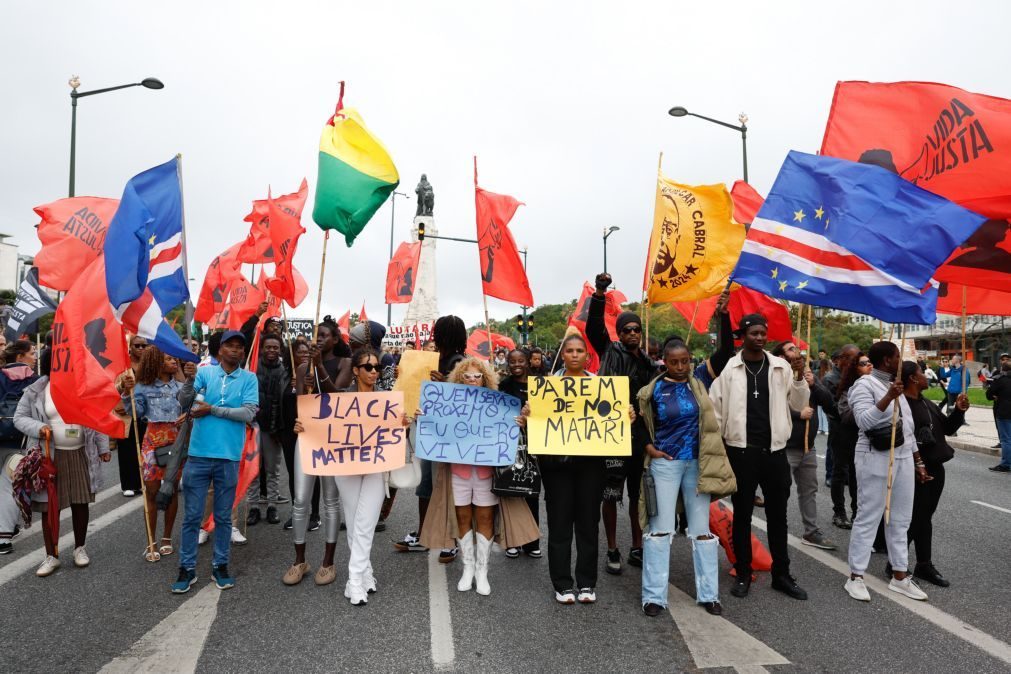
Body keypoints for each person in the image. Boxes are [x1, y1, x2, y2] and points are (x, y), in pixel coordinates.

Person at [709, 314, 810, 600]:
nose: (761, 338)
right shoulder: (731, 369)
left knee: (779, 516)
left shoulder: (780, 367)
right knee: (741, 515)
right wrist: (716, 450)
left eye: (763, 333)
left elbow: (799, 404)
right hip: (741, 453)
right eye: (755, 333)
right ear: (744, 335)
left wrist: (800, 376)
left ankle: (782, 574)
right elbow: (716, 412)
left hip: (775, 453)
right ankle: (743, 572)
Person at [420, 357, 537, 597]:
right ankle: (468, 568)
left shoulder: (497, 405)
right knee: (462, 518)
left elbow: (512, 434)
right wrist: (425, 416)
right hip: (458, 471)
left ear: (485, 379)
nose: (472, 380)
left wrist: (519, 423)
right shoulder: (448, 404)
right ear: (459, 378)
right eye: (467, 376)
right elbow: (435, 427)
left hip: (486, 473)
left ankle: (482, 571)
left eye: (477, 376)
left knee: (485, 518)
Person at [638, 339, 736, 617]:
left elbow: (725, 351)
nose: (681, 367)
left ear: (691, 360)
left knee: (701, 531)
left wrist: (724, 315)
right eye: (674, 362)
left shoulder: (700, 382)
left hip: (698, 464)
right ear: (664, 362)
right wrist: (649, 448)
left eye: (685, 361)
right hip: (665, 465)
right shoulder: (652, 389)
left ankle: (709, 595)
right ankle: (654, 597)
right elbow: (639, 422)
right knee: (660, 530)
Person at [172, 330, 259, 594]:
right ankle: (186, 568)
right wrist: (188, 382)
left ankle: (220, 565)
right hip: (198, 455)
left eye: (239, 347)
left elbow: (248, 412)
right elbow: (186, 404)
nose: (235, 350)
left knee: (223, 518)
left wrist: (213, 410)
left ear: (243, 352)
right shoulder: (204, 374)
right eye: (229, 346)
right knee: (191, 517)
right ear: (219, 350)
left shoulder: (249, 379)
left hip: (229, 458)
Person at [844, 341, 928, 603]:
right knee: (869, 516)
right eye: (897, 357)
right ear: (887, 361)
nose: (901, 361)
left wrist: (918, 462)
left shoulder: (898, 387)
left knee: (901, 519)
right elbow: (864, 420)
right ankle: (856, 576)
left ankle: (900, 576)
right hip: (874, 456)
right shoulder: (864, 385)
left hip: (902, 457)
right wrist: (888, 397)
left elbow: (908, 429)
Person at [14, 348, 111, 577]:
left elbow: (96, 416)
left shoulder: (82, 387)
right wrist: (40, 428)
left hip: (79, 451)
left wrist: (103, 447)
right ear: (51, 364)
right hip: (48, 454)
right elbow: (19, 417)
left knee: (80, 502)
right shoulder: (36, 390)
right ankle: (51, 555)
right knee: (49, 507)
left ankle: (80, 548)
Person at [585, 272, 654, 574]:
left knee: (638, 495)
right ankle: (612, 547)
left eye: (636, 329)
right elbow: (593, 327)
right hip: (611, 436)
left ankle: (638, 546)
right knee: (611, 495)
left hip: (639, 439)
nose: (632, 333)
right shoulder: (608, 350)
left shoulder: (650, 364)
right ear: (619, 333)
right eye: (626, 330)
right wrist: (600, 293)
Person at [538, 333, 609, 604]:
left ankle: (587, 583)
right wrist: (528, 414)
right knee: (559, 523)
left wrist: (625, 415)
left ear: (587, 356)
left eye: (580, 350)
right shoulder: (548, 386)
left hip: (591, 464)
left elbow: (610, 417)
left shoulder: (600, 385)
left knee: (589, 523)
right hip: (557, 466)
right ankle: (563, 584)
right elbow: (538, 423)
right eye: (570, 350)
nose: (575, 354)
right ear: (562, 354)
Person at [395, 315, 467, 562]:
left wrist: (447, 383)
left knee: (444, 487)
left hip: (447, 438)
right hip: (430, 432)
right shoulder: (435, 360)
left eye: (439, 332)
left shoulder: (458, 362)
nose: (435, 336)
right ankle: (425, 534)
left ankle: (450, 539)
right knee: (426, 484)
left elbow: (466, 399)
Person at [120, 345, 191, 562]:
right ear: (156, 362)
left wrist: (187, 415)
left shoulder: (182, 386)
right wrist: (126, 392)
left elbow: (192, 409)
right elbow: (136, 412)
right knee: (150, 491)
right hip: (152, 442)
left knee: (170, 490)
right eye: (169, 359)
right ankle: (151, 541)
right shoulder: (142, 387)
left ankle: (167, 537)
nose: (174, 362)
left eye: (174, 360)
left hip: (177, 441)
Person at [282, 337, 341, 589]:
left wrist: (321, 368)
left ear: (335, 339)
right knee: (300, 501)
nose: (319, 343)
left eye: (325, 337)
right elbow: (300, 406)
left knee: (330, 501)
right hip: (307, 438)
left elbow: (339, 398)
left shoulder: (344, 363)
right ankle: (299, 560)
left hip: (332, 442)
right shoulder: (302, 369)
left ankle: (328, 562)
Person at [903, 361, 966, 587]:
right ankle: (896, 565)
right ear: (911, 378)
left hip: (936, 467)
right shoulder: (903, 406)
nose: (925, 376)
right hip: (917, 469)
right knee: (915, 518)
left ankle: (923, 564)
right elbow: (905, 440)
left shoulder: (926, 402)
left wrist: (959, 410)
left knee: (924, 518)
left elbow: (947, 428)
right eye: (921, 372)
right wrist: (916, 464)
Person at [334, 348, 390, 605]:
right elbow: (322, 427)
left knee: (365, 523)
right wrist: (304, 426)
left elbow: (395, 431)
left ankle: (353, 581)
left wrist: (403, 421)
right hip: (346, 467)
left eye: (377, 367)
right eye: (368, 367)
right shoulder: (340, 398)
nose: (374, 372)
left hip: (376, 467)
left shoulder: (387, 399)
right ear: (355, 370)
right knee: (355, 521)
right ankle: (364, 572)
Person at [771, 342, 838, 551]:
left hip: (807, 447)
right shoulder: (776, 376)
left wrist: (814, 385)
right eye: (790, 349)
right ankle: (777, 531)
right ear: (781, 356)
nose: (796, 352)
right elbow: (772, 406)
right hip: (786, 446)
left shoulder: (809, 375)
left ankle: (811, 531)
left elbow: (829, 403)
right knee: (780, 491)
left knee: (809, 490)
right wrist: (798, 414)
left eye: (796, 349)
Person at [497, 348, 541, 558]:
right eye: (512, 361)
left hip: (534, 445)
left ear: (528, 362)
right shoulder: (504, 385)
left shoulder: (540, 384)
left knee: (531, 492)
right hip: (510, 443)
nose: (516, 365)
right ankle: (512, 541)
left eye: (520, 361)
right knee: (511, 492)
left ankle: (532, 542)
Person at [0, 340, 40, 555]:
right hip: (22, 440)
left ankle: (9, 527)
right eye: (32, 353)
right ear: (20, 357)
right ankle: (4, 536)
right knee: (10, 484)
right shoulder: (35, 381)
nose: (35, 357)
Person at [246, 334, 289, 527]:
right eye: (268, 347)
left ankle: (272, 505)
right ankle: (253, 506)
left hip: (273, 428)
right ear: (261, 348)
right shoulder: (251, 368)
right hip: (253, 427)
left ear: (280, 349)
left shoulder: (285, 372)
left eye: (275, 347)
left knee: (273, 469)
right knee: (253, 469)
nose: (271, 350)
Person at [281, 341, 321, 530]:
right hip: (289, 432)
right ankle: (297, 511)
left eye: (307, 352)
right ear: (292, 355)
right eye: (300, 352)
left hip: (311, 431)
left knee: (313, 472)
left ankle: (315, 514)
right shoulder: (284, 376)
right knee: (294, 473)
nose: (304, 355)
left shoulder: (314, 376)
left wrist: (306, 386)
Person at [827, 346, 861, 529]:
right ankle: (839, 512)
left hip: (858, 433)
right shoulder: (830, 379)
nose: (854, 362)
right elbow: (832, 408)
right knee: (839, 472)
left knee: (857, 475)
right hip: (840, 432)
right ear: (840, 359)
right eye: (851, 358)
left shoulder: (860, 378)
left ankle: (857, 512)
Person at [114, 335, 149, 497]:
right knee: (127, 449)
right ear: (130, 347)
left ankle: (143, 482)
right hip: (127, 414)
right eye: (138, 346)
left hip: (145, 413)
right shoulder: (122, 364)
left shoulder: (149, 364)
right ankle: (128, 484)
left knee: (145, 449)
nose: (141, 349)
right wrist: (123, 387)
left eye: (144, 346)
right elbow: (111, 386)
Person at [986, 360, 1011, 472]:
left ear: (1002, 369)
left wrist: (995, 397)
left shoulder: (1000, 380)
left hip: (1004, 412)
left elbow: (989, 394)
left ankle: (1006, 464)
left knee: (1005, 439)